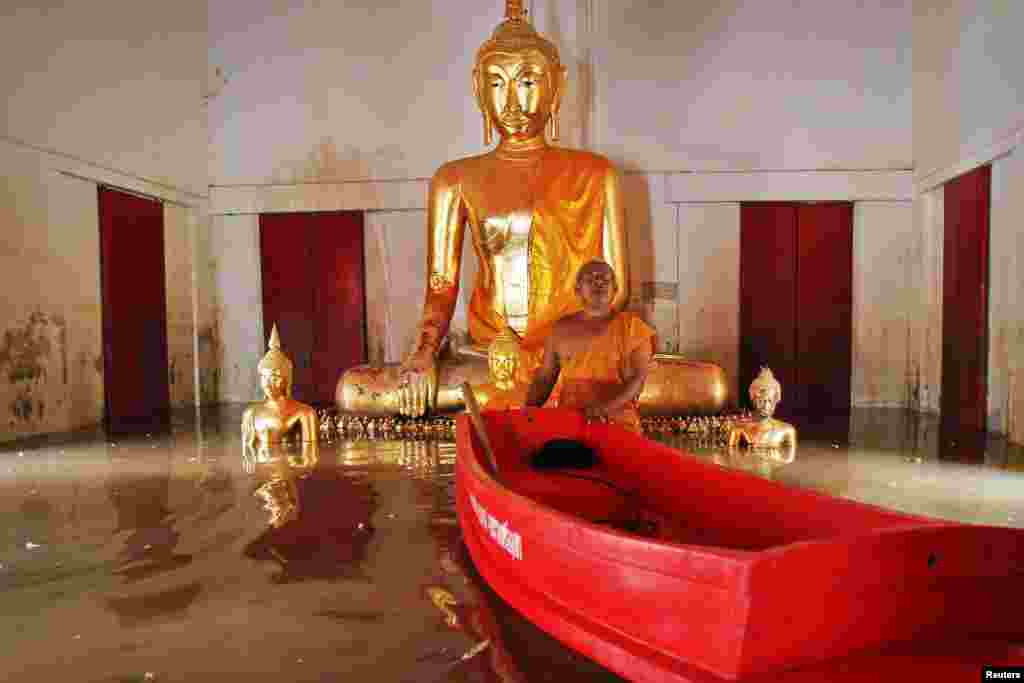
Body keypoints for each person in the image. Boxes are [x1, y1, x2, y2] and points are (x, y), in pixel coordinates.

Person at [525, 260, 655, 432]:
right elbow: (545, 378)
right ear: (577, 289)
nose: (598, 283)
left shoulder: (633, 327)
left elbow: (638, 380)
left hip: (617, 423)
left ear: (615, 289)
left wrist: (603, 409)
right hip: (570, 422)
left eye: (605, 279)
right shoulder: (560, 329)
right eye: (590, 279)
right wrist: (527, 413)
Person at [242, 325, 319, 471]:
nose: (268, 383)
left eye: (275, 377)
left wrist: (289, 466)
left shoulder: (304, 413)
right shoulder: (251, 413)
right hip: (263, 474)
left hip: (286, 471)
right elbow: (247, 456)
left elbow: (310, 458)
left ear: (287, 380)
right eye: (264, 377)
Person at [727, 367, 797, 453]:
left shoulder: (787, 430)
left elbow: (789, 459)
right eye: (761, 401)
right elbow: (732, 458)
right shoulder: (739, 429)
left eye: (770, 401)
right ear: (753, 400)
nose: (766, 406)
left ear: (776, 400)